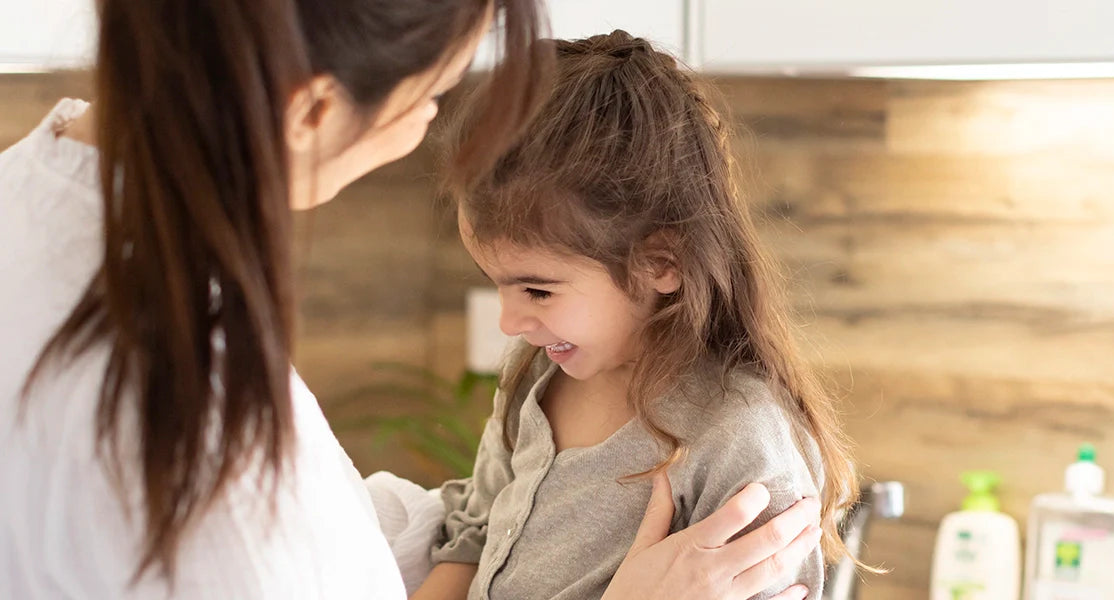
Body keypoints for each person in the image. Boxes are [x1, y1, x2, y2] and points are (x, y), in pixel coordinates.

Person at [0, 0, 821, 598]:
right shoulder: (169, 371)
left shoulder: (738, 439)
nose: (425, 124)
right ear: (314, 110)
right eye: (427, 94)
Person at [414, 30, 859, 600]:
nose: (510, 322)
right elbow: (472, 539)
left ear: (661, 263)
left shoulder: (736, 437)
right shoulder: (533, 378)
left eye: (538, 290)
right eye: (497, 284)